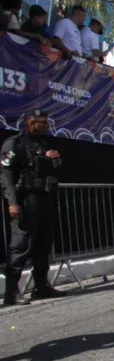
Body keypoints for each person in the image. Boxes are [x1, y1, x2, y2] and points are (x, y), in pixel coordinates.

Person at [1, 109, 64, 305]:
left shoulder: (43, 143)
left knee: (43, 245)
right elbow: (6, 174)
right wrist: (12, 202)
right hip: (26, 200)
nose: (46, 126)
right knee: (20, 246)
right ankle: (12, 291)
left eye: (46, 122)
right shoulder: (15, 143)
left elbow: (52, 168)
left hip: (44, 199)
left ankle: (41, 286)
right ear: (29, 123)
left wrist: (55, 158)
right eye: (41, 123)